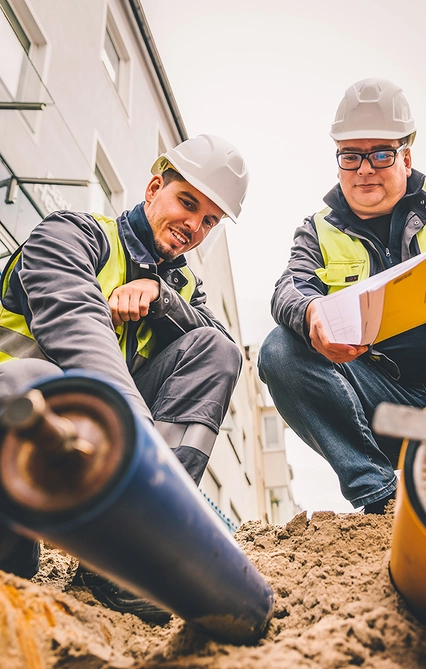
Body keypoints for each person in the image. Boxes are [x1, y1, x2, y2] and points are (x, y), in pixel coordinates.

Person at [0, 133, 249, 623]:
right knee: (38, 379)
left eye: (209, 222)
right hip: (16, 416)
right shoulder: (72, 234)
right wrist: (136, 435)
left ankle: (130, 555)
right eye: (187, 202)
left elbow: (220, 344)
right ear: (154, 186)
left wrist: (161, 295)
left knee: (215, 351)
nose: (194, 227)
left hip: (87, 440)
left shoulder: (182, 287)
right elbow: (77, 323)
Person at [258, 77, 426, 515]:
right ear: (338, 163)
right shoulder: (317, 230)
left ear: (407, 156)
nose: (364, 169)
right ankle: (380, 499)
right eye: (351, 156)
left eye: (380, 154)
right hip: (386, 406)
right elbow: (289, 288)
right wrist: (311, 312)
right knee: (280, 348)